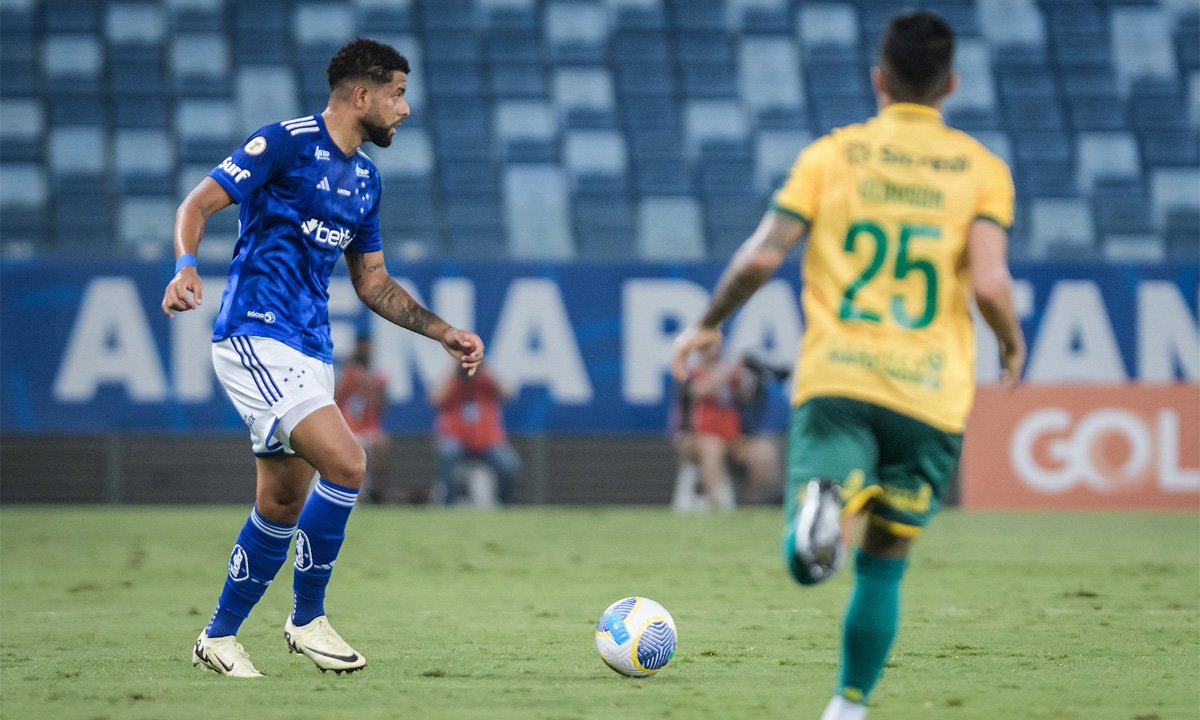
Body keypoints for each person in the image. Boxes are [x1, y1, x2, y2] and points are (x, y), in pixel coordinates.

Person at [670, 12, 1024, 720]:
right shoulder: (982, 171)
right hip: (930, 392)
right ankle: (848, 705)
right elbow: (988, 284)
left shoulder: (833, 156)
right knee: (886, 556)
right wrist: (1011, 342)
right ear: (950, 84)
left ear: (877, 79)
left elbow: (763, 254)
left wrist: (710, 323)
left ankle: (821, 508)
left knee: (811, 559)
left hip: (840, 376)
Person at [162, 38, 484, 678]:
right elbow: (196, 203)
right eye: (397, 93)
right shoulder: (284, 143)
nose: (406, 108)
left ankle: (219, 636)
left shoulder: (366, 179)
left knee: (281, 502)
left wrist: (440, 330)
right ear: (361, 95)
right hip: (254, 333)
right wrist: (186, 266)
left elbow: (374, 284)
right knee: (349, 460)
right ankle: (307, 618)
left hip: (311, 351)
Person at [429, 362, 520, 506]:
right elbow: (435, 399)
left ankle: (504, 504)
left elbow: (509, 393)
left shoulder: (486, 381)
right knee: (448, 451)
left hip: (487, 442)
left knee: (509, 465)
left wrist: (485, 368)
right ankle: (448, 504)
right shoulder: (453, 382)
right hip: (456, 439)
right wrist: (455, 370)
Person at [335, 335, 392, 503]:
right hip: (346, 427)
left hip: (367, 428)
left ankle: (377, 491)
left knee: (381, 444)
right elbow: (333, 397)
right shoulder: (344, 375)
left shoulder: (376, 379)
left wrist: (369, 387)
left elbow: (382, 407)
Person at [730, 353, 791, 505]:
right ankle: (753, 503)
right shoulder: (735, 399)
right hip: (745, 447)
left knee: (762, 452)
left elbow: (769, 434)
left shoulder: (771, 392)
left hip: (781, 443)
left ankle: (759, 501)